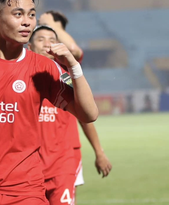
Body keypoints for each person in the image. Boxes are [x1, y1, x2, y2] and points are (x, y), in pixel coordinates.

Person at [0, 0, 99, 205]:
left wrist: (74, 67)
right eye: (18, 14)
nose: (26, 22)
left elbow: (89, 114)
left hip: (24, 189)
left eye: (31, 15)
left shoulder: (42, 67)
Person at [28, 25, 111, 205]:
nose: (46, 44)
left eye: (51, 40)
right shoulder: (20, 77)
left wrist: (99, 152)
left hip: (61, 165)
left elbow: (85, 116)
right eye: (40, 39)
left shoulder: (66, 79)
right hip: (29, 169)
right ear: (29, 46)